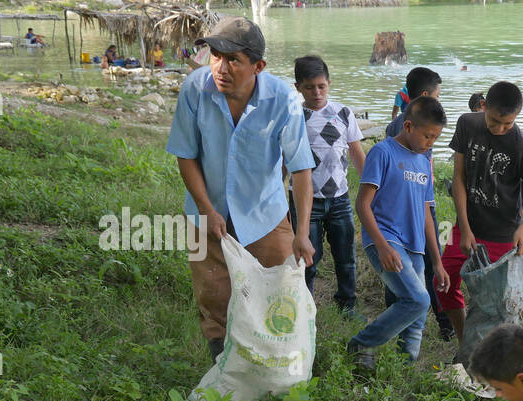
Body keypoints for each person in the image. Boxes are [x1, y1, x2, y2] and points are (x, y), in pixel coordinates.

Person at [166, 17, 315, 363]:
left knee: (277, 293)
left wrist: (302, 232)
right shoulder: (195, 89)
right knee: (215, 297)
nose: (220, 66)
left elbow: (301, 168)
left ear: (258, 66)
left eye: (233, 59)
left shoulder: (283, 100)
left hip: (265, 213)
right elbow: (186, 156)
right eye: (216, 55)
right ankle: (224, 367)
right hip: (208, 209)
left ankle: (279, 364)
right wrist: (206, 209)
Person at [348, 96, 451, 370]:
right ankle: (362, 342)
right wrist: (381, 246)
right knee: (418, 299)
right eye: (428, 136)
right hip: (386, 239)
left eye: (435, 138)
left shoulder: (423, 162)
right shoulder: (383, 152)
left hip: (415, 247)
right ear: (408, 126)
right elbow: (363, 204)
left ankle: (404, 368)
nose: (431, 143)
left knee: (416, 314)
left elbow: (427, 214)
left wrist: (437, 262)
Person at [441, 81, 523, 342]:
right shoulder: (467, 124)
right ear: (484, 106)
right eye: (495, 121)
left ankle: (498, 354)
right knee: (443, 282)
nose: (500, 129)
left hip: (505, 236)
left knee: (507, 302)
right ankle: (465, 339)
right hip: (467, 225)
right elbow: (459, 177)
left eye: (507, 124)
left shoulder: (520, 144)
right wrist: (464, 229)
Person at [382, 67, 454, 340]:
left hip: (399, 205)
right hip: (419, 203)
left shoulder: (394, 124)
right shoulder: (419, 127)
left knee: (399, 261)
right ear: (425, 96)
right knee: (426, 257)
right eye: (437, 96)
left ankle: (399, 317)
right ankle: (442, 321)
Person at [290, 55, 365, 315]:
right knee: (308, 259)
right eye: (309, 87)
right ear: (298, 87)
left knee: (346, 257)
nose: (317, 92)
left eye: (321, 86)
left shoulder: (343, 113)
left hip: (340, 198)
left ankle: (347, 305)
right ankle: (305, 307)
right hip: (306, 200)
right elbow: (284, 161)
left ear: (329, 84)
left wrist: (371, 188)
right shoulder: (295, 116)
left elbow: (356, 152)